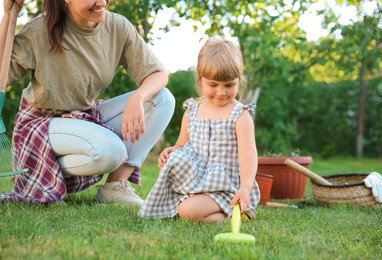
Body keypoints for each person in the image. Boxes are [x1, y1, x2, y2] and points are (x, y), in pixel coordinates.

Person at [0, 0, 175, 205]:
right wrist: (9, 17)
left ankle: (115, 187)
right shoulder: (40, 30)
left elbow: (158, 74)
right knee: (112, 151)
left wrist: (138, 97)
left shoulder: (117, 27)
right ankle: (38, 176)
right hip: (41, 124)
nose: (101, 2)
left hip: (85, 117)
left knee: (162, 99)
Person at [139, 38, 260, 222]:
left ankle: (236, 211)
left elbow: (248, 155)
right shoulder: (192, 111)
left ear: (239, 80)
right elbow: (182, 145)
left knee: (187, 211)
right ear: (200, 78)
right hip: (194, 181)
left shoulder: (240, 115)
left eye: (229, 85)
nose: (221, 92)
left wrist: (245, 187)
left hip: (226, 185)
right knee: (177, 207)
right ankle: (220, 210)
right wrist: (170, 151)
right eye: (213, 85)